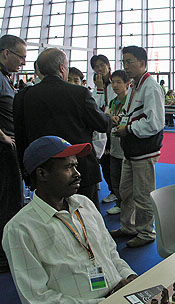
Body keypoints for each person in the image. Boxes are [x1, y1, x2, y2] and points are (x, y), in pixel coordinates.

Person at [2, 136, 137, 304]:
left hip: (116, 302)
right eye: (68, 168)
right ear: (42, 174)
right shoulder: (21, 229)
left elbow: (110, 253)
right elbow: (37, 299)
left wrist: (130, 276)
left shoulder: (85, 204)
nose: (78, 174)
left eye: (76, 166)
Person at [14, 48, 112, 209]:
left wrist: (29, 174)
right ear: (62, 68)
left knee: (50, 220)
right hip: (79, 169)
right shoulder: (79, 93)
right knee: (86, 218)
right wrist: (109, 118)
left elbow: (21, 137)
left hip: (44, 171)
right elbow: (101, 125)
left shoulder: (23, 96)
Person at [109, 45, 165, 248]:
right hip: (130, 150)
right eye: (124, 62)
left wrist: (128, 128)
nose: (126, 66)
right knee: (125, 192)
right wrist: (122, 122)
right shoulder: (134, 86)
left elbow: (155, 123)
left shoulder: (151, 87)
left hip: (144, 150)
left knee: (143, 195)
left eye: (130, 61)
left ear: (142, 63)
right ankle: (128, 226)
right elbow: (133, 114)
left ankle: (146, 232)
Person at [0, 34, 26, 273]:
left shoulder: (6, 78)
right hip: (3, 150)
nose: (23, 63)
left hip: (9, 149)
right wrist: (3, 136)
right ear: (6, 53)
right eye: (21, 57)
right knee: (7, 201)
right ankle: (3, 256)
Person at [90, 54, 116, 204]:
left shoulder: (116, 81)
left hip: (114, 125)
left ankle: (117, 192)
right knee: (105, 161)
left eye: (102, 65)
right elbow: (94, 105)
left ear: (108, 65)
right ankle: (113, 190)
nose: (99, 69)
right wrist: (99, 89)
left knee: (115, 161)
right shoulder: (97, 85)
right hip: (102, 126)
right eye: (96, 66)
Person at [106, 70, 130, 216]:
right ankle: (119, 203)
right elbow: (107, 114)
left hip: (125, 148)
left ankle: (126, 206)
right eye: (113, 82)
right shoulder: (113, 101)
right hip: (114, 145)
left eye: (119, 82)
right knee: (114, 178)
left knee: (125, 182)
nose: (115, 85)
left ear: (127, 84)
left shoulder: (130, 101)